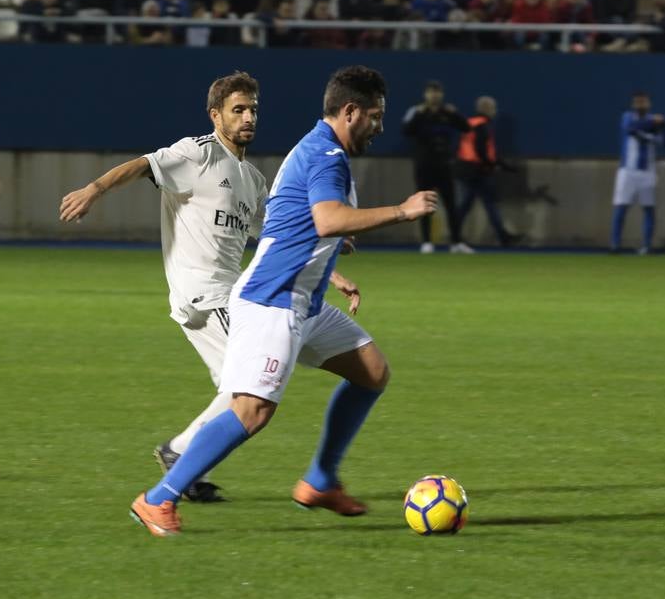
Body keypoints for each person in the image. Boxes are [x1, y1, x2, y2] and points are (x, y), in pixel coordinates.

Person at [125, 66, 439, 536]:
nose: (378, 126)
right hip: (273, 300)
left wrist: (331, 267)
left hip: (303, 299)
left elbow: (291, 228)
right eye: (374, 116)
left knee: (371, 372)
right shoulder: (327, 155)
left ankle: (319, 480)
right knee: (252, 409)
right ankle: (157, 499)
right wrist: (403, 211)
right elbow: (330, 219)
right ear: (350, 112)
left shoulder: (318, 148)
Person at [58, 73, 270, 503]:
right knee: (253, 386)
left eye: (252, 110)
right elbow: (142, 165)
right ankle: (180, 456)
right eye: (238, 110)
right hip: (207, 293)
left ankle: (182, 458)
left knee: (239, 389)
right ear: (216, 115)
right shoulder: (197, 153)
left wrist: (329, 271)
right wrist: (95, 189)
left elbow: (270, 237)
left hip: (225, 297)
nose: (248, 117)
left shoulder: (253, 179)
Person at [403, 80, 470, 253]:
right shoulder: (417, 111)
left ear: (441, 94)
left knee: (451, 204)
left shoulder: (447, 112)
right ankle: (427, 242)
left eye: (437, 92)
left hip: (445, 164)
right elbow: (406, 130)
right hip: (424, 165)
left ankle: (456, 242)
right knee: (424, 204)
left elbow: (466, 127)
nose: (434, 95)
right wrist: (419, 114)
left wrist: (455, 114)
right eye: (431, 92)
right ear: (426, 94)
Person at [454, 96, 521, 249]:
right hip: (475, 171)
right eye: (493, 108)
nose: (495, 111)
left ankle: (456, 235)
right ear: (486, 109)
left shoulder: (470, 123)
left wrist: (501, 165)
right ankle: (502, 237)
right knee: (486, 203)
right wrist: (493, 165)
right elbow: (482, 151)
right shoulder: (482, 125)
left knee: (469, 204)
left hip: (466, 169)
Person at [610, 91, 665, 254]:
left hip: (647, 171)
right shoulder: (629, 118)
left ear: (648, 104)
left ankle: (647, 245)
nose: (641, 105)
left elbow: (664, 136)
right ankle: (615, 244)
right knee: (621, 207)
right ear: (634, 104)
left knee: (649, 208)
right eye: (638, 102)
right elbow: (630, 128)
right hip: (627, 171)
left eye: (643, 102)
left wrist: (659, 123)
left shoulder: (655, 124)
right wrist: (653, 121)